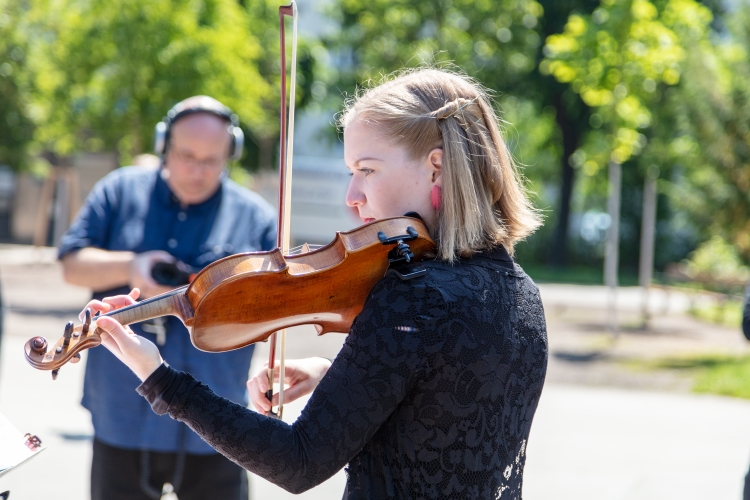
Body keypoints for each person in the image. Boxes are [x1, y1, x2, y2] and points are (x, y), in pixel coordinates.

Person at [83, 69, 548, 499]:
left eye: (366, 169)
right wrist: (337, 377)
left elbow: (299, 461)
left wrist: (160, 379)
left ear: (436, 166)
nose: (353, 196)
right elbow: (446, 402)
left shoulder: (415, 297)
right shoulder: (522, 293)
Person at [59, 96, 276, 500]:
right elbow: (72, 263)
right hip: (121, 410)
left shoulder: (258, 218)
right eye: (186, 155)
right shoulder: (120, 190)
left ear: (233, 153)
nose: (197, 170)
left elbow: (274, 309)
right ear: (163, 145)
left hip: (217, 420)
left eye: (212, 160)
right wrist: (131, 265)